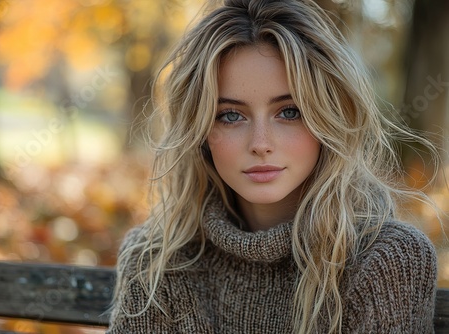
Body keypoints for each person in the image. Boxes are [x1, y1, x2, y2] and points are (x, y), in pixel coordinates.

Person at [107, 0, 439, 332]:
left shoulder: (387, 260)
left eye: (289, 112)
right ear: (201, 131)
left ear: (329, 119)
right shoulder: (154, 263)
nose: (261, 143)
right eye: (231, 115)